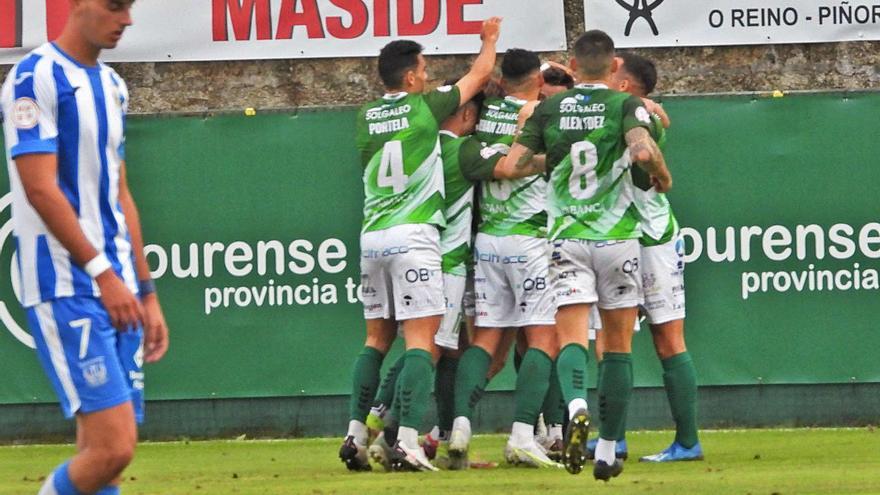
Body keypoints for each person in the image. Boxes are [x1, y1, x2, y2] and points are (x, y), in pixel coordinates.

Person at [0, 1, 170, 494]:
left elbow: (120, 194)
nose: (127, 19)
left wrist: (147, 290)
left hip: (116, 285)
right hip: (66, 282)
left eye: (131, 7)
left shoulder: (113, 86)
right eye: (115, 6)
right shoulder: (35, 78)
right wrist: (102, 273)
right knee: (114, 448)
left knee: (106, 460)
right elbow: (40, 189)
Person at [506, 30, 672, 480]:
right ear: (614, 66)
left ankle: (576, 406)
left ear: (573, 68)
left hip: (566, 240)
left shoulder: (551, 108)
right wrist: (660, 172)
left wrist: (553, 159)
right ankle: (607, 450)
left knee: (572, 337)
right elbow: (641, 148)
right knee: (617, 346)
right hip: (617, 239)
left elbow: (513, 164)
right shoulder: (624, 105)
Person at [341, 18, 501, 472]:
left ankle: (355, 433)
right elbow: (477, 77)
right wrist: (489, 40)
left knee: (374, 339)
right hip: (414, 236)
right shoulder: (425, 108)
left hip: (372, 237)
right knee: (420, 341)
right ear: (410, 77)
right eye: (424, 69)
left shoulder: (364, 116)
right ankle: (408, 439)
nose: (428, 75)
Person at [449, 48, 562, 469]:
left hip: (488, 242)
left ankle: (460, 426)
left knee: (486, 339)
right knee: (543, 338)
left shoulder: (485, 111)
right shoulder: (542, 112)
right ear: (536, 78)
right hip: (528, 240)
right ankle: (521, 435)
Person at [599, 52, 702, 463]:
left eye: (612, 75)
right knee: (609, 341)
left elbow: (649, 138)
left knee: (667, 337)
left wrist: (664, 172)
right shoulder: (625, 111)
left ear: (624, 84)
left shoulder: (640, 118)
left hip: (654, 237)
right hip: (620, 238)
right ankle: (613, 439)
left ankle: (689, 441)